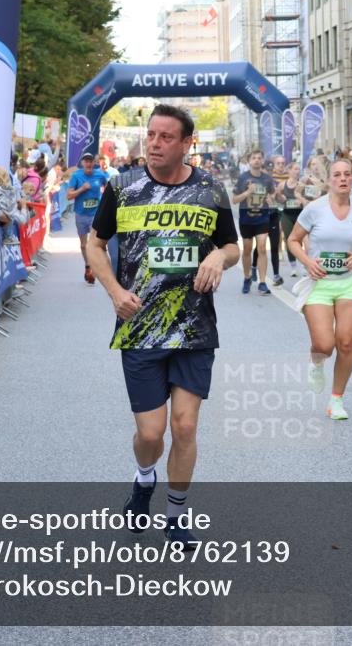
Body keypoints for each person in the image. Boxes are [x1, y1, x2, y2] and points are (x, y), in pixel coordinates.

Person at [85, 104, 240, 548]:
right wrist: (114, 291)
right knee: (151, 434)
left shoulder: (210, 189)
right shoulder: (123, 187)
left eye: (165, 137)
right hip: (140, 328)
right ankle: (144, 477)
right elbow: (94, 244)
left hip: (194, 329)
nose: (154, 143)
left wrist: (216, 256)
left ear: (188, 143)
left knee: (186, 427)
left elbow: (231, 246)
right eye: (150, 134)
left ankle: (175, 517)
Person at [287, 158, 352, 420]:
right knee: (324, 345)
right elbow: (293, 240)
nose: (342, 179)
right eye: (337, 175)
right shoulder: (315, 209)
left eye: (347, 174)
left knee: (347, 343)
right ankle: (317, 363)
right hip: (319, 283)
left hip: (350, 283)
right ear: (329, 180)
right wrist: (307, 262)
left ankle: (336, 400)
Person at [233, 149, 275, 295]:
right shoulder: (243, 178)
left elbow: (272, 194)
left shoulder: (267, 179)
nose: (257, 160)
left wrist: (271, 199)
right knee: (247, 249)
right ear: (249, 161)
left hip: (262, 216)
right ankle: (247, 277)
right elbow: (234, 199)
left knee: (262, 247)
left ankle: (262, 282)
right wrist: (247, 192)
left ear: (262, 161)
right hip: (246, 217)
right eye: (254, 158)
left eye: (259, 158)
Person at [67, 153, 108, 284]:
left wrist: (106, 201)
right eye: (86, 161)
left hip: (95, 214)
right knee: (84, 245)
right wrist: (82, 189)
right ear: (83, 163)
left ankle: (93, 269)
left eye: (91, 161)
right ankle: (87, 266)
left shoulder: (100, 175)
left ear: (94, 163)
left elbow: (107, 187)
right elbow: (69, 196)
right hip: (80, 214)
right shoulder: (76, 176)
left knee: (93, 243)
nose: (89, 164)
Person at [252, 154, 287, 287]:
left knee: (274, 245)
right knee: (260, 246)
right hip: (260, 217)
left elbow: (283, 200)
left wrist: (278, 194)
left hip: (273, 215)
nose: (269, 173)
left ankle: (276, 275)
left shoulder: (274, 183)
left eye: (271, 171)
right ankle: (254, 266)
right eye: (267, 170)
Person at [278, 161, 307, 277]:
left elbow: (308, 199)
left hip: (300, 215)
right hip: (287, 214)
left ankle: (304, 265)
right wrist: (281, 198)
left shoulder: (302, 185)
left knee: (302, 241)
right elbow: (277, 199)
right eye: (295, 169)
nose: (297, 171)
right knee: (288, 239)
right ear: (289, 171)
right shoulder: (282, 185)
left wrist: (302, 200)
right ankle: (293, 266)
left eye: (298, 169)